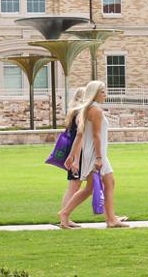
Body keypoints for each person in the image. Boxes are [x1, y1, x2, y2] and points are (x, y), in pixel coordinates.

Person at [59, 81, 129, 228]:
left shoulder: (87, 109)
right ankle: (66, 213)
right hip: (96, 155)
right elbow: (96, 136)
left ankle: (110, 219)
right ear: (95, 93)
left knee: (103, 184)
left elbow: (79, 135)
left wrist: (71, 156)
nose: (105, 95)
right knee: (100, 186)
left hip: (95, 154)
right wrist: (98, 158)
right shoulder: (95, 111)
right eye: (102, 92)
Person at [60, 87, 88, 227]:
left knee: (74, 185)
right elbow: (79, 137)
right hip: (78, 153)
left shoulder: (73, 111)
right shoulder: (80, 112)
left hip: (76, 152)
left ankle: (65, 216)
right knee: (74, 186)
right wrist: (76, 160)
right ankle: (64, 216)